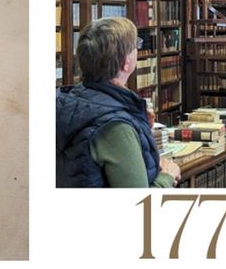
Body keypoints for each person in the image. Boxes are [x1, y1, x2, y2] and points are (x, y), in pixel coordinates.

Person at [56, 17, 180, 188]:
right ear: (126, 63)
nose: (138, 49)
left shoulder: (68, 99)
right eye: (136, 45)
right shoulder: (116, 127)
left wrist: (138, 127)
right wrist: (167, 177)